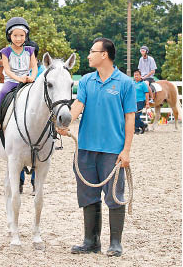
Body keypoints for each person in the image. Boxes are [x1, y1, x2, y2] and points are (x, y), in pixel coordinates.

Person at [56, 37, 136, 257]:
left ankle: (115, 243)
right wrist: (65, 123)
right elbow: (78, 105)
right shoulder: (86, 81)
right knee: (88, 195)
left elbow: (130, 118)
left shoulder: (125, 83)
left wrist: (126, 150)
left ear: (104, 55)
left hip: (112, 150)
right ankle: (91, 241)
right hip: (86, 148)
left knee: (114, 195)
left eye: (92, 51)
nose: (88, 55)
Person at [0, 17, 38, 131]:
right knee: (3, 92)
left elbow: (34, 66)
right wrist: (19, 79)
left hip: (27, 79)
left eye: (21, 35)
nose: (18, 38)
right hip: (12, 81)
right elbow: (7, 70)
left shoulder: (30, 50)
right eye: (15, 35)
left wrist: (32, 77)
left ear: (25, 36)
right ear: (9, 36)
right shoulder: (6, 52)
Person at [19, 39, 45, 194]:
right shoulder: (18, 67)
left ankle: (35, 182)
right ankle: (20, 181)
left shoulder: (42, 70)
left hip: (38, 112)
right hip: (21, 110)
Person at [133, 69, 149, 134]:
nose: (136, 76)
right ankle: (143, 125)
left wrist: (147, 103)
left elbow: (146, 93)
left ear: (140, 76)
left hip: (140, 101)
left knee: (136, 115)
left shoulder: (143, 84)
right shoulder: (132, 83)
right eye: (135, 75)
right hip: (133, 101)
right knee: (134, 116)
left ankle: (136, 129)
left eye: (137, 75)